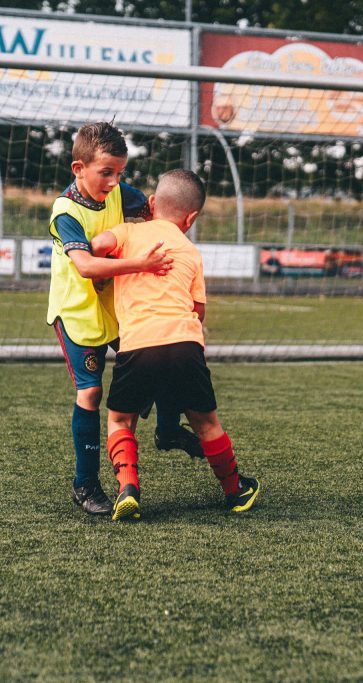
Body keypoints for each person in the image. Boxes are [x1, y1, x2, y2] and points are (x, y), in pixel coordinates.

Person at [47, 122, 202, 517]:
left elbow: (159, 215)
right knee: (91, 393)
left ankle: (166, 431)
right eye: (106, 173)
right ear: (78, 168)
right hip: (78, 314)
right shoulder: (65, 211)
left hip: (117, 309)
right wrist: (142, 263)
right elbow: (83, 266)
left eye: (120, 173)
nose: (115, 183)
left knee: (161, 356)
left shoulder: (119, 192)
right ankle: (85, 485)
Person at [90, 169, 261, 521]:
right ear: (192, 218)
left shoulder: (128, 232)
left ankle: (128, 488)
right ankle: (235, 490)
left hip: (137, 344)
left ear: (152, 204)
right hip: (185, 344)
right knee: (206, 423)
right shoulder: (191, 251)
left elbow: (97, 247)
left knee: (121, 419)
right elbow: (197, 312)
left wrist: (109, 268)